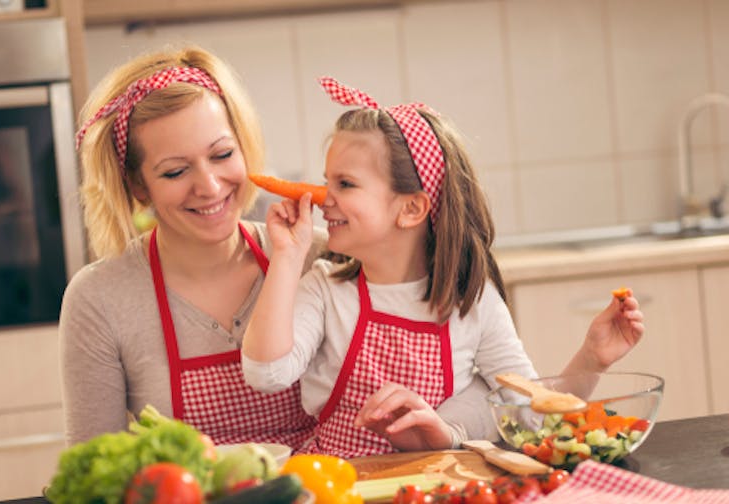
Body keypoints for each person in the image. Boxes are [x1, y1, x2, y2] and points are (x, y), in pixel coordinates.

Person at [241, 77, 644, 458]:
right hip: (341, 485)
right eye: (327, 181)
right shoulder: (326, 290)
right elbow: (266, 374)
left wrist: (592, 358)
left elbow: (531, 414)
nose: (324, 197)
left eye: (345, 184)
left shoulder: (471, 301)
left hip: (435, 485)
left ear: (411, 208)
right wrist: (288, 257)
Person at [58, 46, 328, 448]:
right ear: (137, 185)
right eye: (175, 171)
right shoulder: (100, 299)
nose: (210, 187)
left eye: (222, 154)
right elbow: (96, 470)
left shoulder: (316, 257)